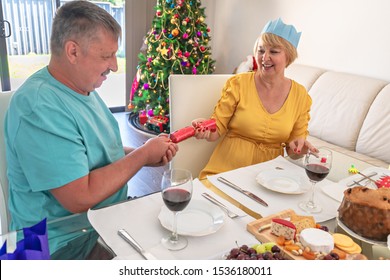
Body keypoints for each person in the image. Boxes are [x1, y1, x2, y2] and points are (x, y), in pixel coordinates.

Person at [4, 0, 178, 259]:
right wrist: (141, 156)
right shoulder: (39, 106)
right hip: (59, 242)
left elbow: (95, 151)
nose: (115, 66)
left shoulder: (81, 88)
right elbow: (79, 196)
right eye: (106, 56)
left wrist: (144, 155)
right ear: (73, 51)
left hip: (101, 219)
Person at [193, 18, 317, 179]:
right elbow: (216, 129)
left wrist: (301, 149)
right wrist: (205, 129)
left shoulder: (300, 96)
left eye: (273, 52)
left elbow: (293, 151)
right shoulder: (238, 83)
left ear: (288, 56)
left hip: (270, 177)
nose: (265, 58)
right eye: (261, 50)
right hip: (226, 170)